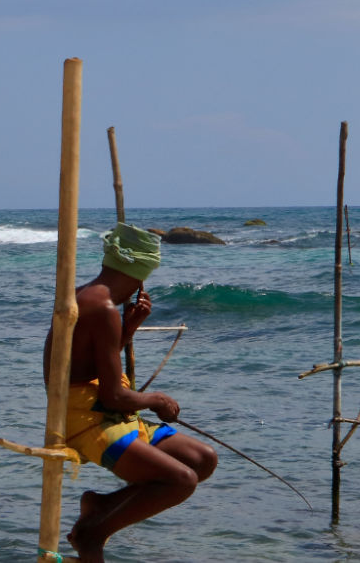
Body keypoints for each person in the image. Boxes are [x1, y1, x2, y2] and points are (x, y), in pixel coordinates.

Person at [48, 223, 217, 563]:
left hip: (102, 408)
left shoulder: (93, 297)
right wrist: (158, 401)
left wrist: (129, 330)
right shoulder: (103, 309)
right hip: (87, 419)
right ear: (142, 274)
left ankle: (103, 506)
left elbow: (90, 364)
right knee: (181, 481)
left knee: (202, 460)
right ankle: (93, 534)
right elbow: (114, 398)